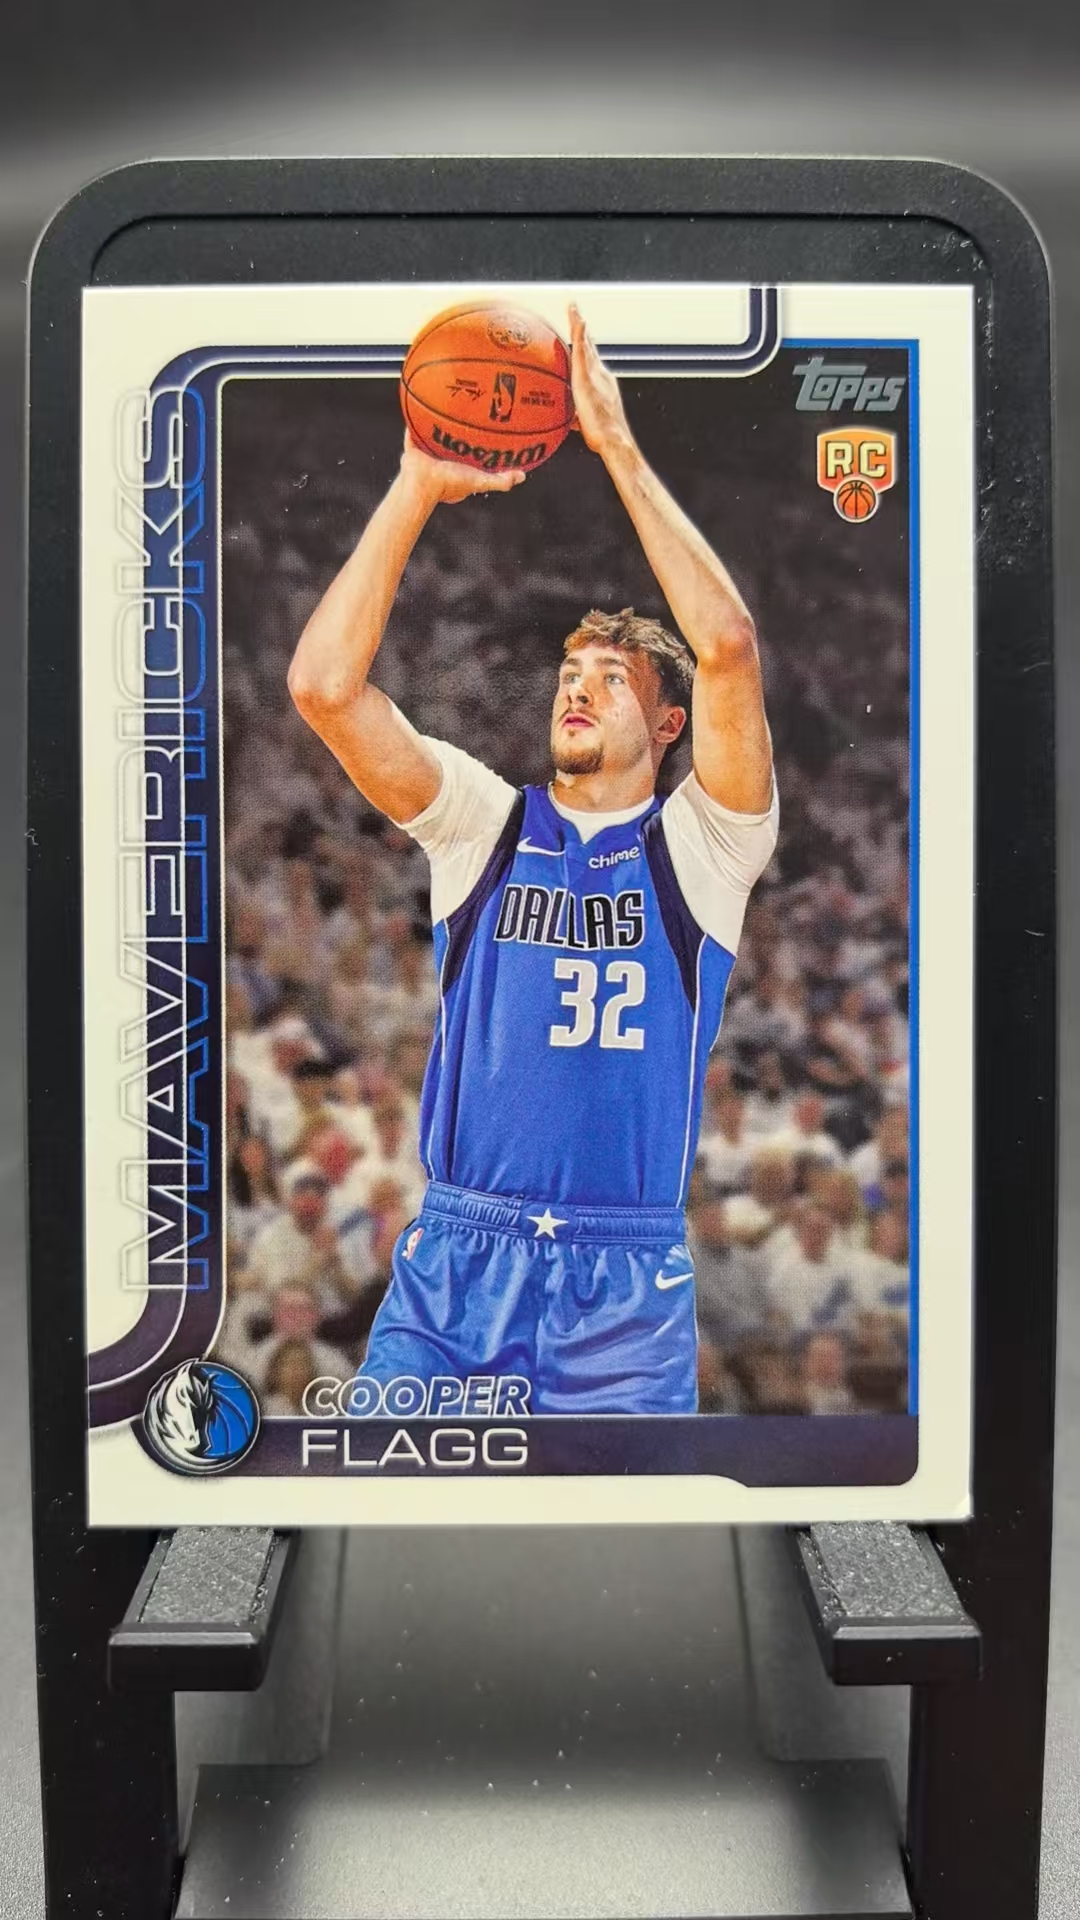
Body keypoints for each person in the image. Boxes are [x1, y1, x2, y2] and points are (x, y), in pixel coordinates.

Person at [287, 306, 778, 1414]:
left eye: (611, 680)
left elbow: (728, 647)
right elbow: (322, 688)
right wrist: (416, 483)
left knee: (624, 1533)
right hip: (459, 1265)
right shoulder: (486, 824)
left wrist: (616, 447)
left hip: (622, 1285)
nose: (578, 689)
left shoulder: (705, 847)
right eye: (570, 674)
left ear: (668, 725)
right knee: (383, 1510)